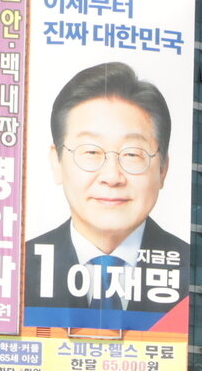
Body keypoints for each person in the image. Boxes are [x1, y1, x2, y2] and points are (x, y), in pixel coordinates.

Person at [24, 61, 189, 331]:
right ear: (57, 162)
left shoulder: (195, 271)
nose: (112, 177)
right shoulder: (17, 268)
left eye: (133, 154)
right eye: (90, 152)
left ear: (163, 169)